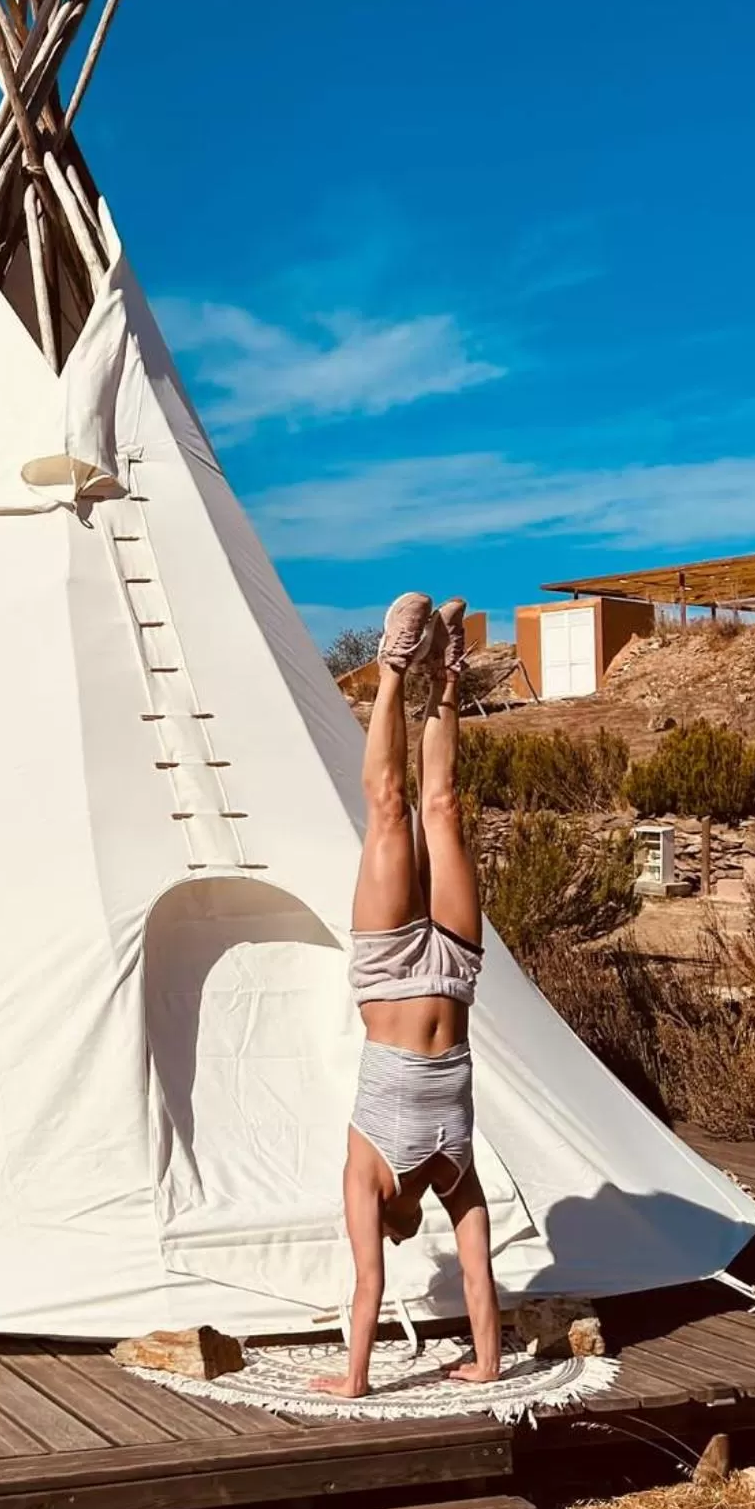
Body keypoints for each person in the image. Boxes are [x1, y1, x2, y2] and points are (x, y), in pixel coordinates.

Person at [310, 592, 501, 1399]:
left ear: (394, 1224)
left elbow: (365, 1286)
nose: (396, 1234)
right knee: (441, 812)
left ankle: (394, 669)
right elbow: (479, 1271)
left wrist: (354, 1380)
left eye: (397, 1233)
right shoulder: (454, 1173)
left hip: (392, 970)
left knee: (390, 815)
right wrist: (486, 1363)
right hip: (454, 969)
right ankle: (447, 672)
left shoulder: (369, 1172)